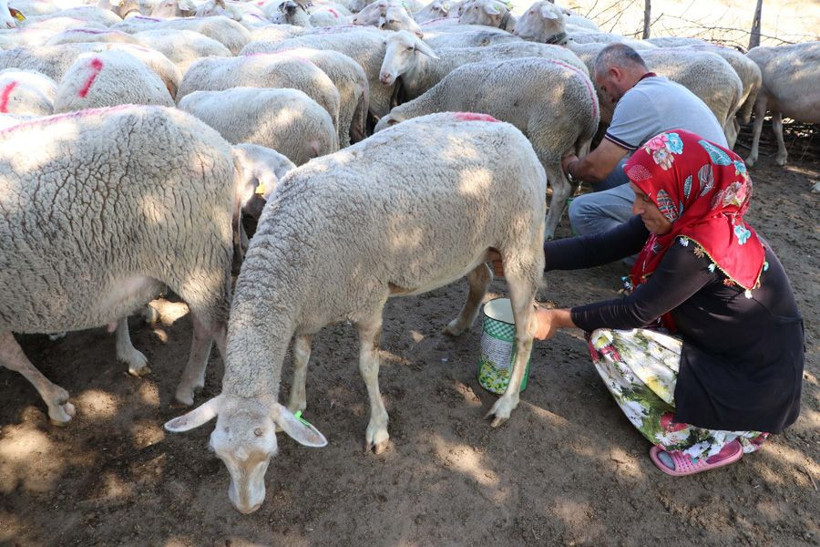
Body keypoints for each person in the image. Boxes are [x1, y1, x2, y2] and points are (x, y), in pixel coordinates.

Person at [503, 129, 804, 476]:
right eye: (638, 196)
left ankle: (713, 441)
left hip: (753, 389)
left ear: (680, 188)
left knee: (607, 338)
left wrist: (555, 318)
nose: (636, 208)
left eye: (645, 199)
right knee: (606, 325)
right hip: (733, 359)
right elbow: (599, 246)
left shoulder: (700, 245)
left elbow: (637, 310)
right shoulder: (684, 214)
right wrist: (528, 256)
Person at [562, 43, 729, 238]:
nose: (609, 98)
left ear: (615, 74)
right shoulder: (667, 87)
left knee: (582, 210)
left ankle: (657, 256)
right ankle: (647, 231)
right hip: (716, 188)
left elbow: (596, 168)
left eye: (605, 88)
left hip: (693, 199)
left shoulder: (637, 97)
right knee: (618, 170)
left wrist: (572, 166)